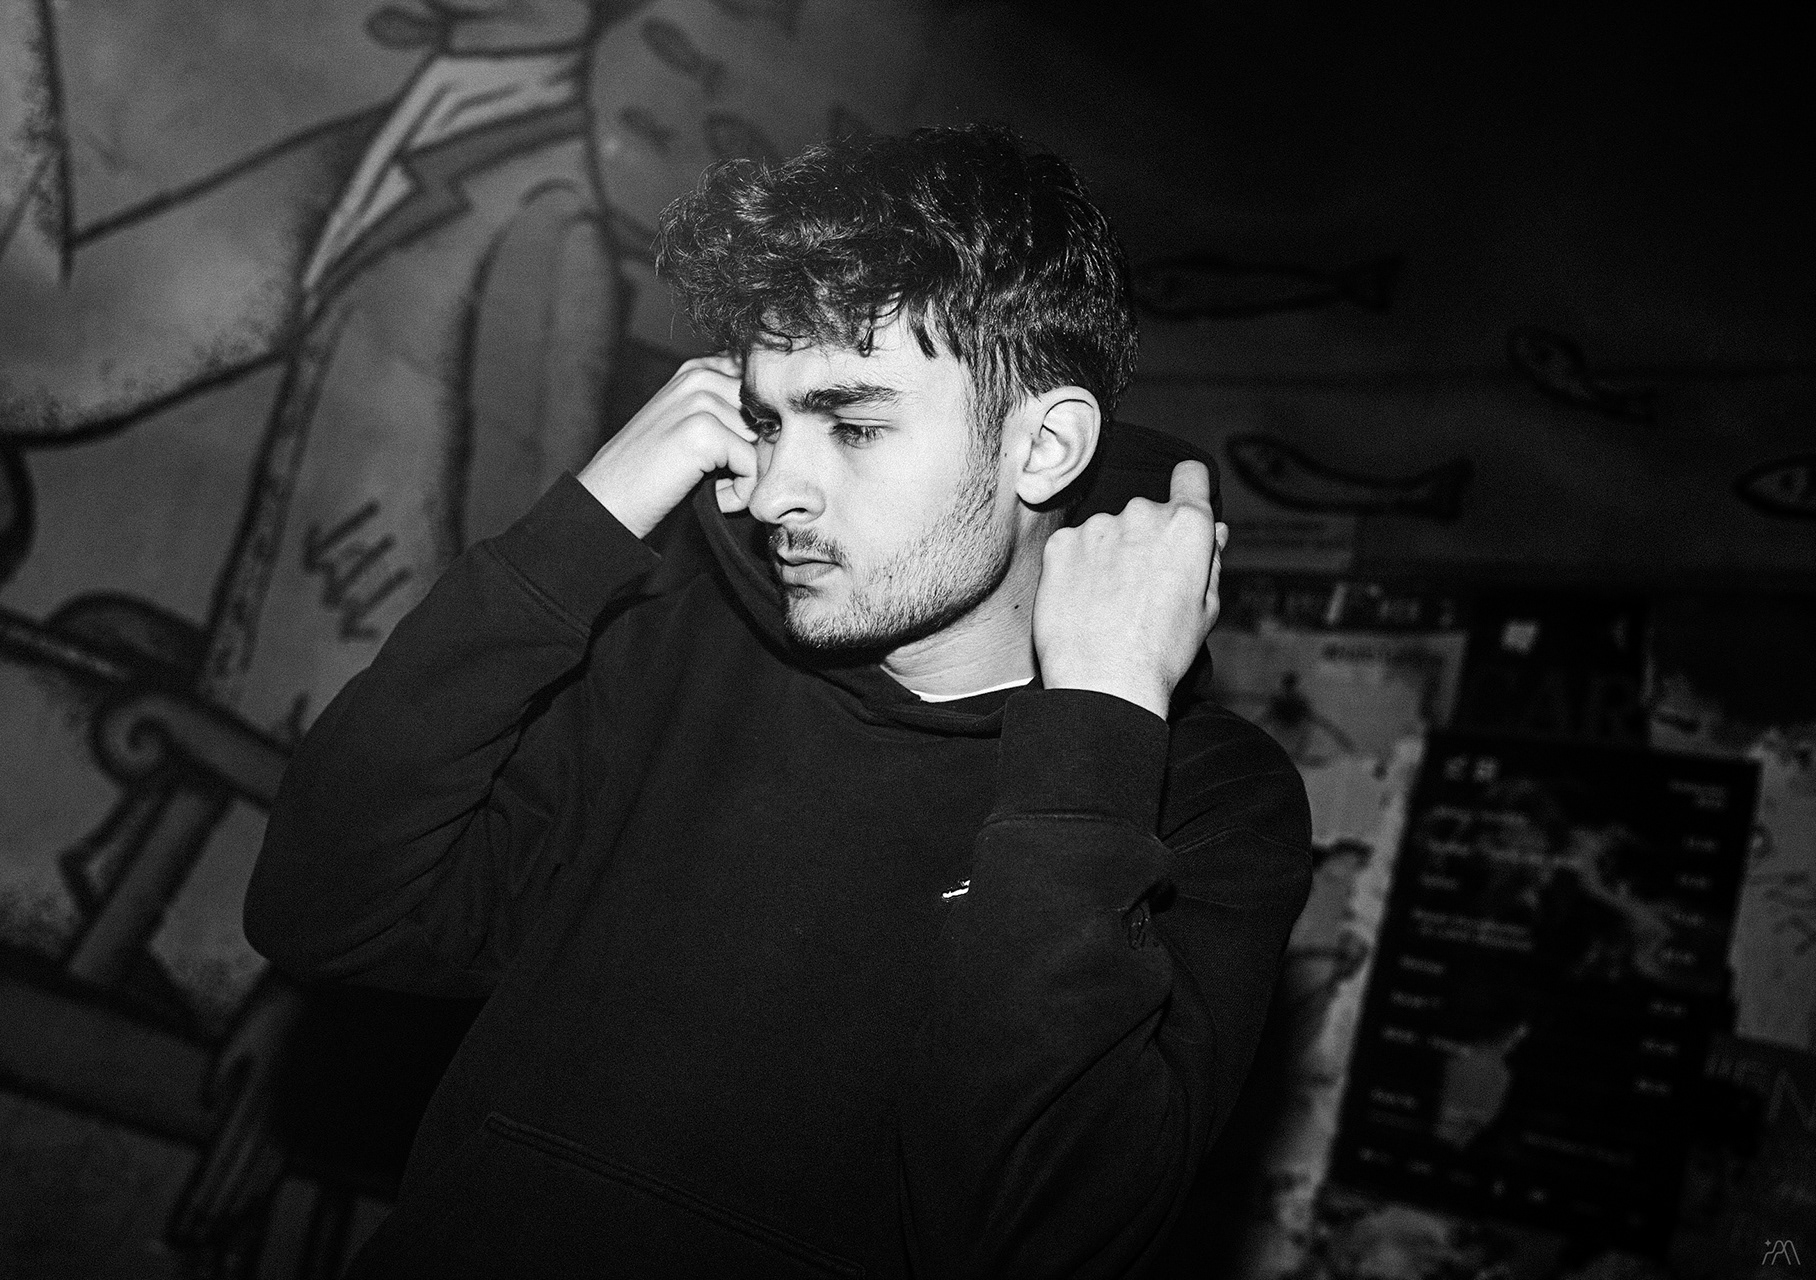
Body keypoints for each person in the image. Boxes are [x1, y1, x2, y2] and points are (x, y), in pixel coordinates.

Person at [245, 123, 1312, 1279]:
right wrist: (586, 524)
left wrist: (1097, 732)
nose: (774, 493)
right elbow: (325, 907)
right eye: (769, 420)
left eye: (853, 424)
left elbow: (1035, 1237)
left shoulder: (1202, 801)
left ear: (1044, 447)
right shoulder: (670, 653)